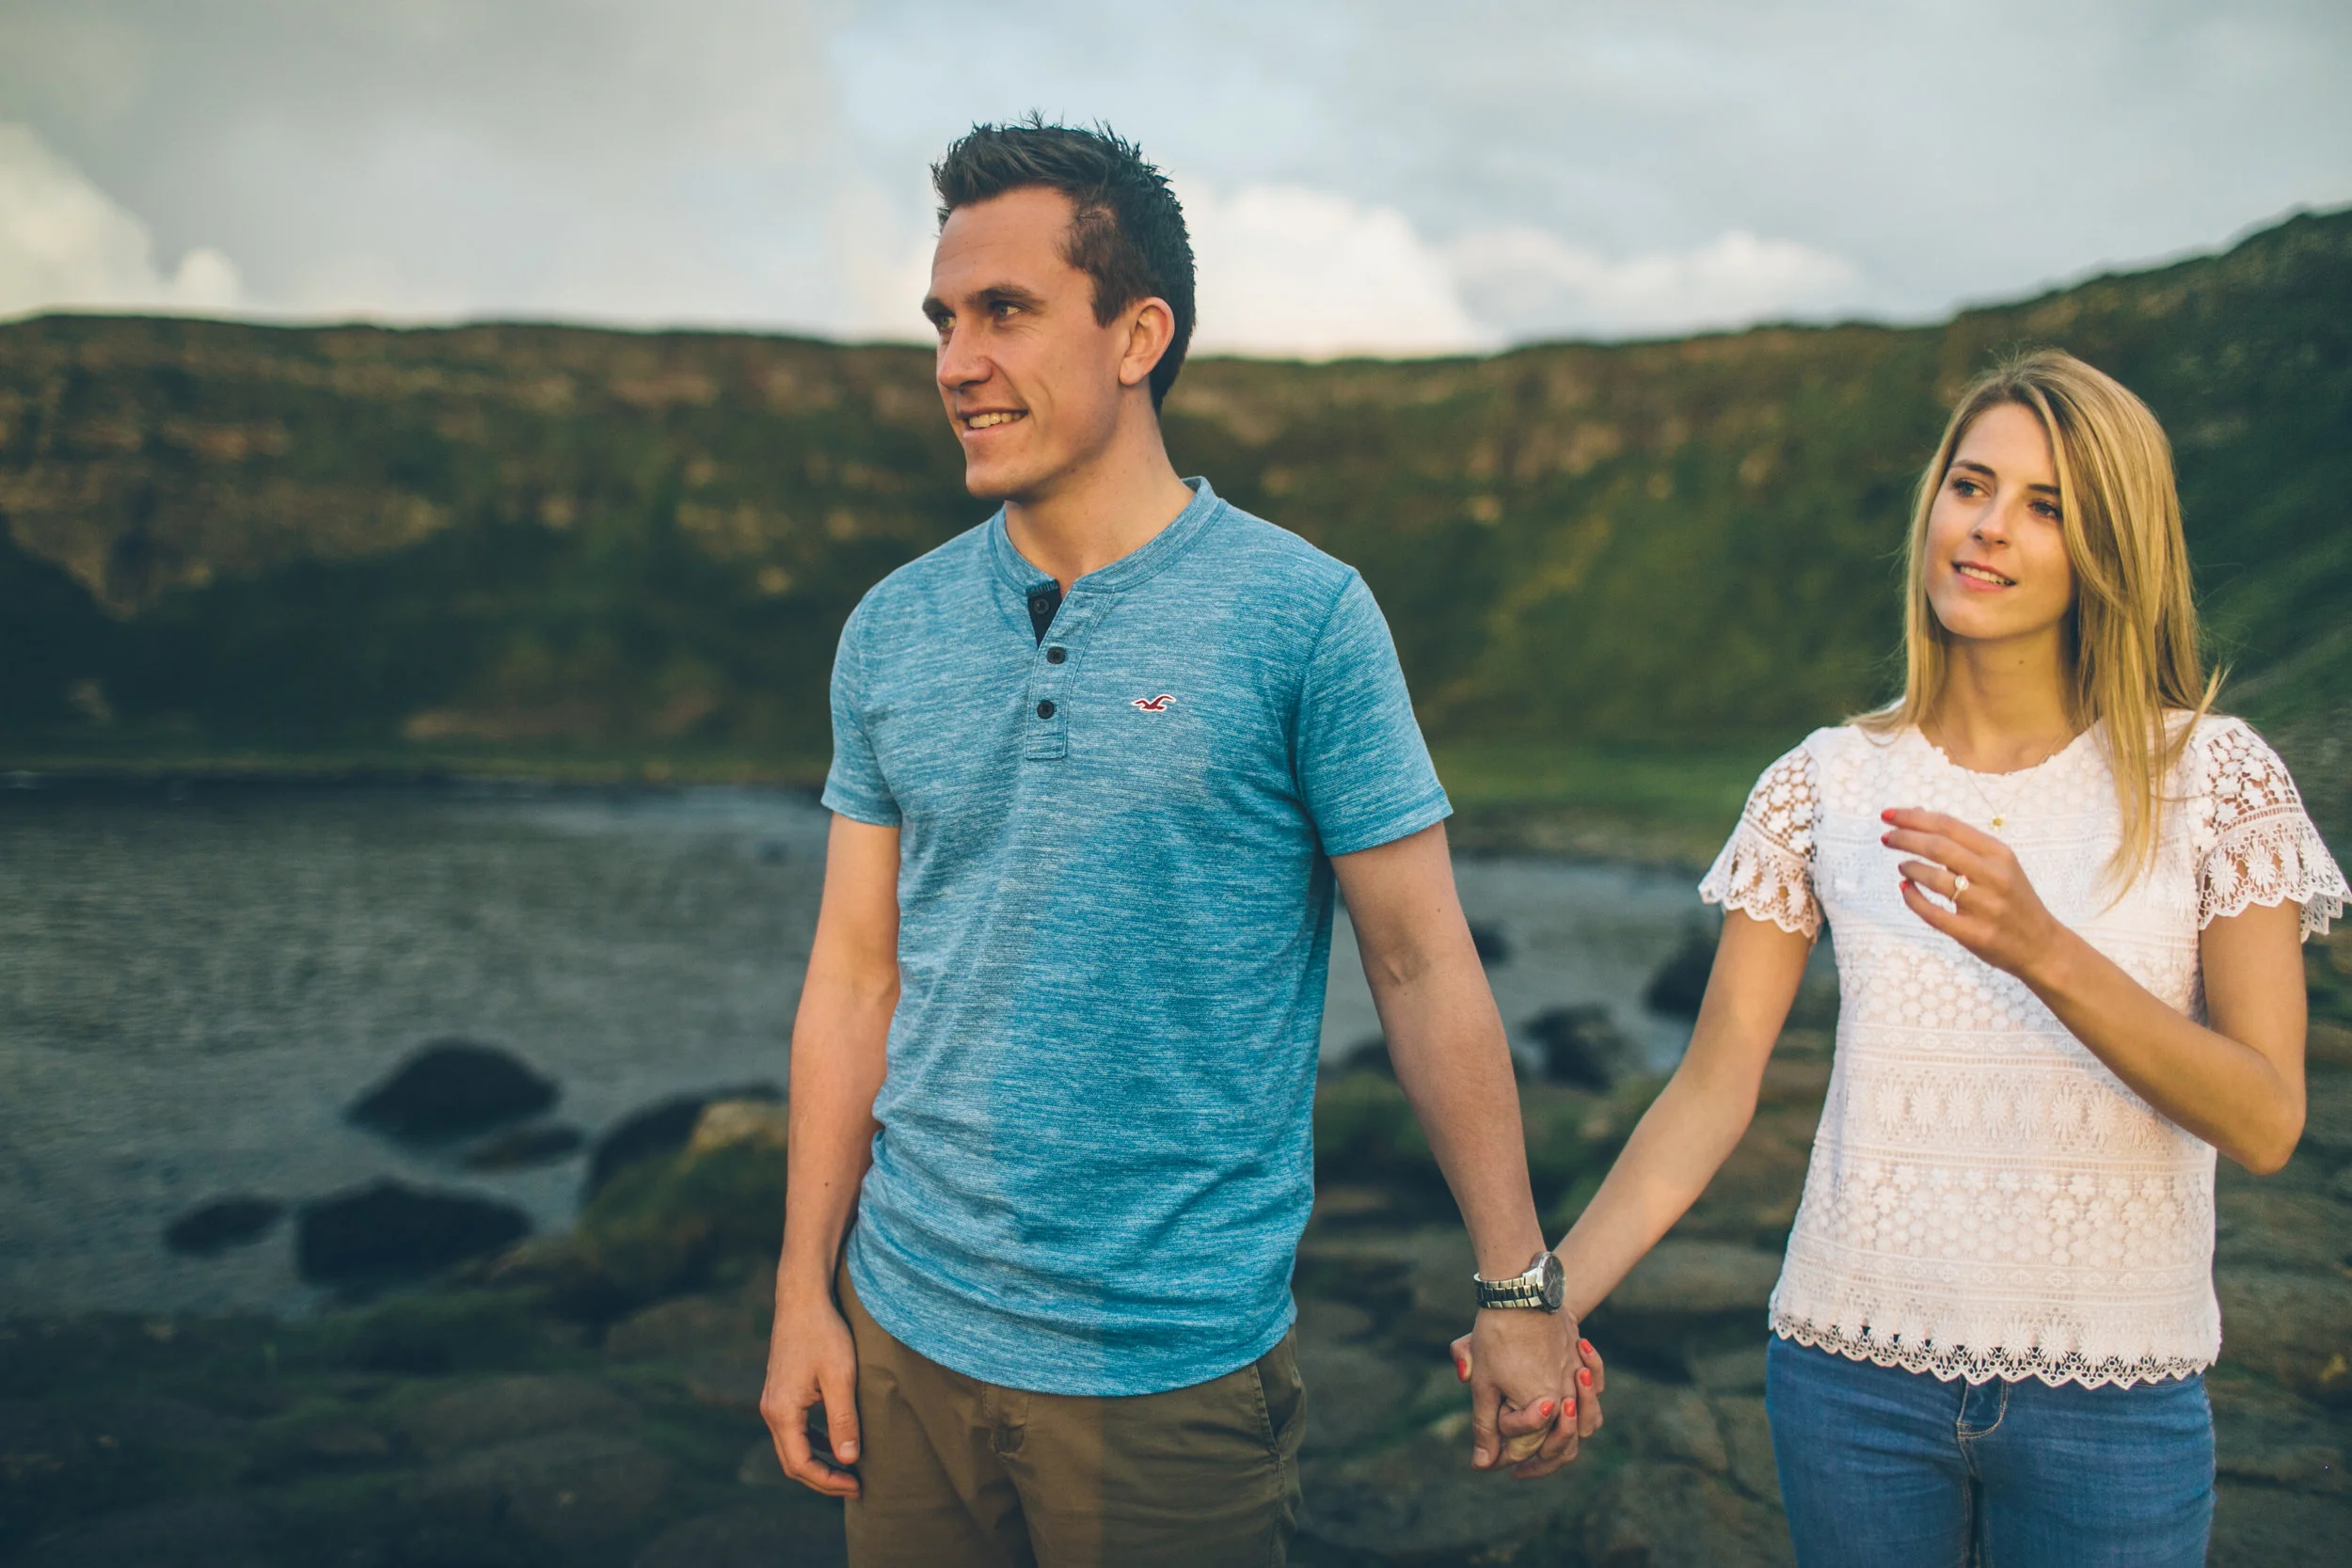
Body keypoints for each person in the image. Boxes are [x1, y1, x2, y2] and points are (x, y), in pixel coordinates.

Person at [756, 119, 1598, 1568]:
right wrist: (802, 1295)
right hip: (903, 1335)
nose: (957, 360)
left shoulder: (1304, 615)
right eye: (945, 320)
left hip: (1169, 1376)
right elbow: (852, 977)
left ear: (1137, 332)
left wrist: (1518, 1290)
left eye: (1005, 312)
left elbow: (1416, 957)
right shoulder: (889, 630)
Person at [1457, 349, 2344, 1564]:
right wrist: (1542, 1305)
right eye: (1971, 485)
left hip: (2118, 1401)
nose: (1988, 528)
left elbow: (2266, 1117)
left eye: (2046, 507)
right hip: (1848, 1382)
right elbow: (1712, 1092)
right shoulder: (1823, 784)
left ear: (2111, 548)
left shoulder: (2215, 779)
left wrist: (2044, 949)